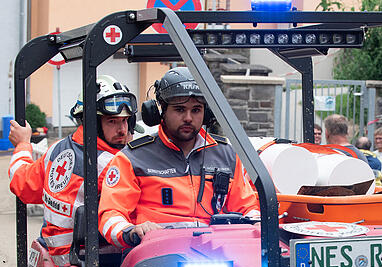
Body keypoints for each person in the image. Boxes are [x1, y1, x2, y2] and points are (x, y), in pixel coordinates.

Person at [98, 67, 260, 248]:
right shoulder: (132, 158)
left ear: (206, 114)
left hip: (217, 253)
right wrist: (130, 231)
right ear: (160, 112)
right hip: (153, 254)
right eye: (180, 109)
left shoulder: (227, 155)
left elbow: (247, 207)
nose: (188, 118)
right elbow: (110, 215)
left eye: (196, 110)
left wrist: (257, 223)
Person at [8, 75, 136, 267]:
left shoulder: (56, 149)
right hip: (95, 260)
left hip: (56, 252)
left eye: (125, 121)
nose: (123, 130)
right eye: (112, 121)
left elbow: (24, 185)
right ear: (92, 122)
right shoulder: (112, 164)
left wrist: (22, 145)